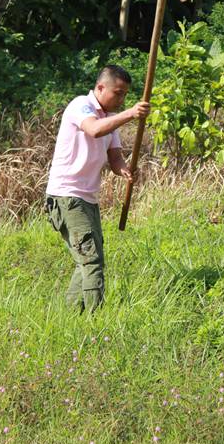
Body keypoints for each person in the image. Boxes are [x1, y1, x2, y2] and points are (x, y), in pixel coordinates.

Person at [45, 65, 150, 313]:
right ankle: (95, 320)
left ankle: (72, 315)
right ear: (100, 87)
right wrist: (131, 114)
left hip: (88, 198)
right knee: (91, 260)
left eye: (125, 94)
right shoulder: (81, 105)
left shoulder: (108, 120)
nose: (122, 99)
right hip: (67, 196)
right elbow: (93, 130)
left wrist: (125, 170)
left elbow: (115, 159)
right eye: (118, 93)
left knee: (89, 259)